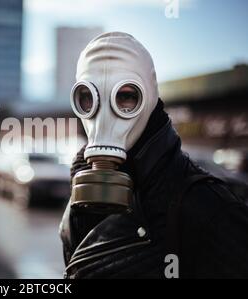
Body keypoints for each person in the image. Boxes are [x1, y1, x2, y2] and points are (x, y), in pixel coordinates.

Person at [60, 32, 248, 278]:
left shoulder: (211, 210)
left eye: (126, 97)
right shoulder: (80, 202)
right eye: (88, 98)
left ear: (148, 100)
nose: (104, 117)